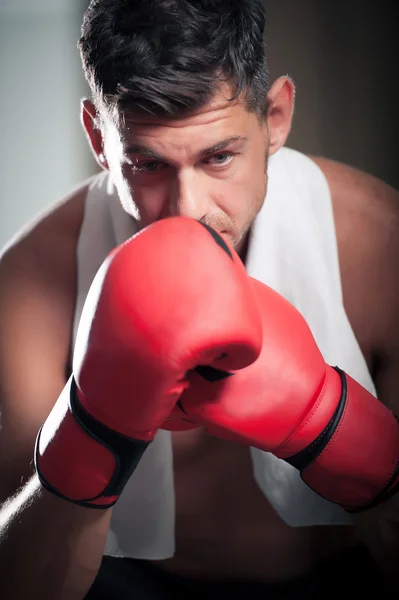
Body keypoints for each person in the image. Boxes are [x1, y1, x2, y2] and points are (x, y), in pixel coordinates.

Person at [0, 0, 398, 598]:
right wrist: (83, 451)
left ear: (277, 116)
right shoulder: (30, 286)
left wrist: (353, 447)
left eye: (220, 157)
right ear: (98, 139)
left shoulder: (382, 254)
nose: (190, 211)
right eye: (147, 163)